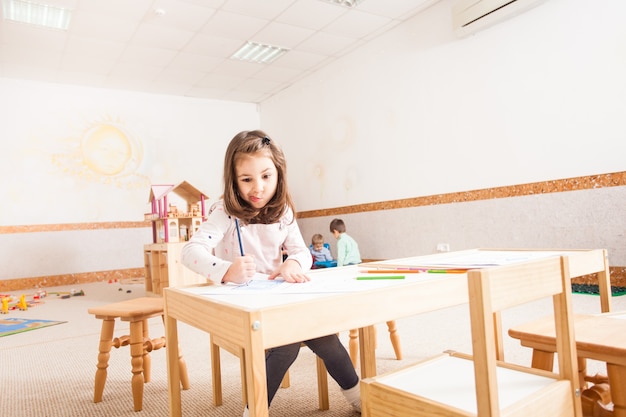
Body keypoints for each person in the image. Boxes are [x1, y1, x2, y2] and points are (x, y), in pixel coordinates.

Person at [181, 130, 361, 416]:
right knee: (286, 345)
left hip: (277, 301)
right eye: (246, 179)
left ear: (279, 174)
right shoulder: (224, 212)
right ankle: (254, 411)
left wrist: (293, 264)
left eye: (266, 176)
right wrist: (228, 270)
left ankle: (359, 398)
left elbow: (301, 252)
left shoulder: (284, 211)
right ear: (233, 180)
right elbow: (190, 252)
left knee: (326, 335)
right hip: (243, 307)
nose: (258, 188)